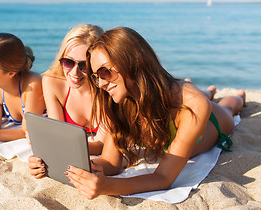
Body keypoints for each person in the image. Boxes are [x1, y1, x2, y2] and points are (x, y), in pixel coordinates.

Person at [65, 27, 246, 199]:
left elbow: (163, 178)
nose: (102, 84)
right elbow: (111, 163)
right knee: (195, 94)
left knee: (228, 109)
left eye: (105, 72)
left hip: (212, 123)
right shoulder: (118, 99)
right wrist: (75, 169)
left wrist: (107, 186)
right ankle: (207, 91)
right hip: (170, 96)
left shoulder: (194, 105)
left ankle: (237, 96)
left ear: (132, 62)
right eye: (96, 76)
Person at [28, 24, 107, 179]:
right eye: (68, 62)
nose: (74, 72)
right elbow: (58, 134)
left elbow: (101, 146)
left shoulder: (107, 88)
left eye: (84, 65)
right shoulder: (52, 82)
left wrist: (55, 146)